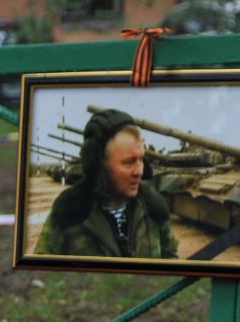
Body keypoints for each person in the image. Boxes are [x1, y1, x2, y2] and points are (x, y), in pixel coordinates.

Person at [35, 108, 179, 261]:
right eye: (129, 162)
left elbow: (170, 257)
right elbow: (41, 269)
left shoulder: (153, 207)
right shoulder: (70, 213)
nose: (139, 172)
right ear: (99, 165)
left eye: (141, 160)